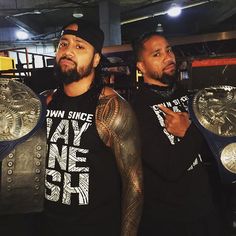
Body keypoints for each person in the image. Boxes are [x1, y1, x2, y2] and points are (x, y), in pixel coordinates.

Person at [41, 19, 143, 236]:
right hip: (47, 225)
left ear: (96, 59)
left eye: (79, 46)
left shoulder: (112, 109)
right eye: (63, 44)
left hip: (96, 228)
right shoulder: (44, 102)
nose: (68, 51)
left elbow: (134, 184)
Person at [131, 31, 220, 236]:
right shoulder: (137, 109)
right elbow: (169, 167)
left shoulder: (182, 93)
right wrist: (195, 131)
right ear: (141, 66)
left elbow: (209, 149)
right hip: (171, 219)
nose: (168, 57)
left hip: (205, 206)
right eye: (157, 54)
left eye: (168, 50)